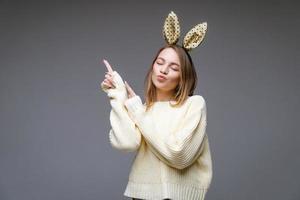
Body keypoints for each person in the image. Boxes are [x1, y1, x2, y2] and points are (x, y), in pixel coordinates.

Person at [100, 11, 212, 200]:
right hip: (141, 197)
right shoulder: (143, 110)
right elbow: (127, 143)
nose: (164, 70)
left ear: (183, 77)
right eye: (160, 62)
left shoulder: (194, 105)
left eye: (174, 67)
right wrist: (119, 97)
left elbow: (179, 156)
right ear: (153, 66)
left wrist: (136, 110)